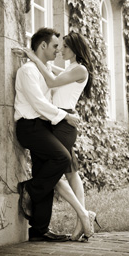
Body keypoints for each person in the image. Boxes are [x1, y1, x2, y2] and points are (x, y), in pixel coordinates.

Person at [14, 32, 98, 242]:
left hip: (63, 121)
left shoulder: (78, 68)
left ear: (75, 49)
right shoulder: (69, 67)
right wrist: (35, 58)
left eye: (65, 47)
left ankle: (82, 215)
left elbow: (51, 81)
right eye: (57, 46)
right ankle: (66, 222)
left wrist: (33, 56)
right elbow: (51, 73)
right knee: (66, 171)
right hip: (56, 121)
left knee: (61, 166)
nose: (60, 50)